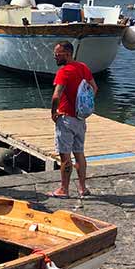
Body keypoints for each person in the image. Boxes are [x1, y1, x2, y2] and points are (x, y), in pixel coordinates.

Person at [50, 41, 97, 198]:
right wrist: (83, 105)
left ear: (68, 54)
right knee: (79, 153)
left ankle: (64, 189)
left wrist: (53, 113)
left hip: (66, 119)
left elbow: (56, 96)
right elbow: (94, 89)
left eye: (58, 54)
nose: (55, 57)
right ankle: (83, 188)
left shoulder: (64, 72)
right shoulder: (83, 67)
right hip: (80, 118)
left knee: (65, 156)